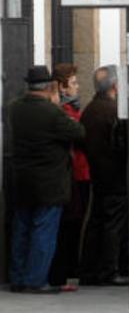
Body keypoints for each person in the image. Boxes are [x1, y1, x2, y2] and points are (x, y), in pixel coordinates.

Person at [8, 66, 86, 293]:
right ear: (50, 87)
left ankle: (18, 277)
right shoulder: (52, 112)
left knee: (21, 230)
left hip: (22, 179)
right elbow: (78, 132)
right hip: (49, 182)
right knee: (44, 232)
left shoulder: (15, 108)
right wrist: (57, 106)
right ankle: (35, 280)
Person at [79, 66, 129, 286]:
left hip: (97, 173)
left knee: (96, 221)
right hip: (115, 175)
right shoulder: (114, 110)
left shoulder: (89, 110)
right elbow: (122, 144)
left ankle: (89, 270)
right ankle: (109, 270)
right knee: (112, 225)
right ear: (115, 85)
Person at [48, 63, 89, 290]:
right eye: (73, 83)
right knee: (69, 223)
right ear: (62, 88)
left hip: (78, 172)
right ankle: (61, 272)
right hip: (74, 173)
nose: (77, 87)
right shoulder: (65, 113)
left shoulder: (71, 109)